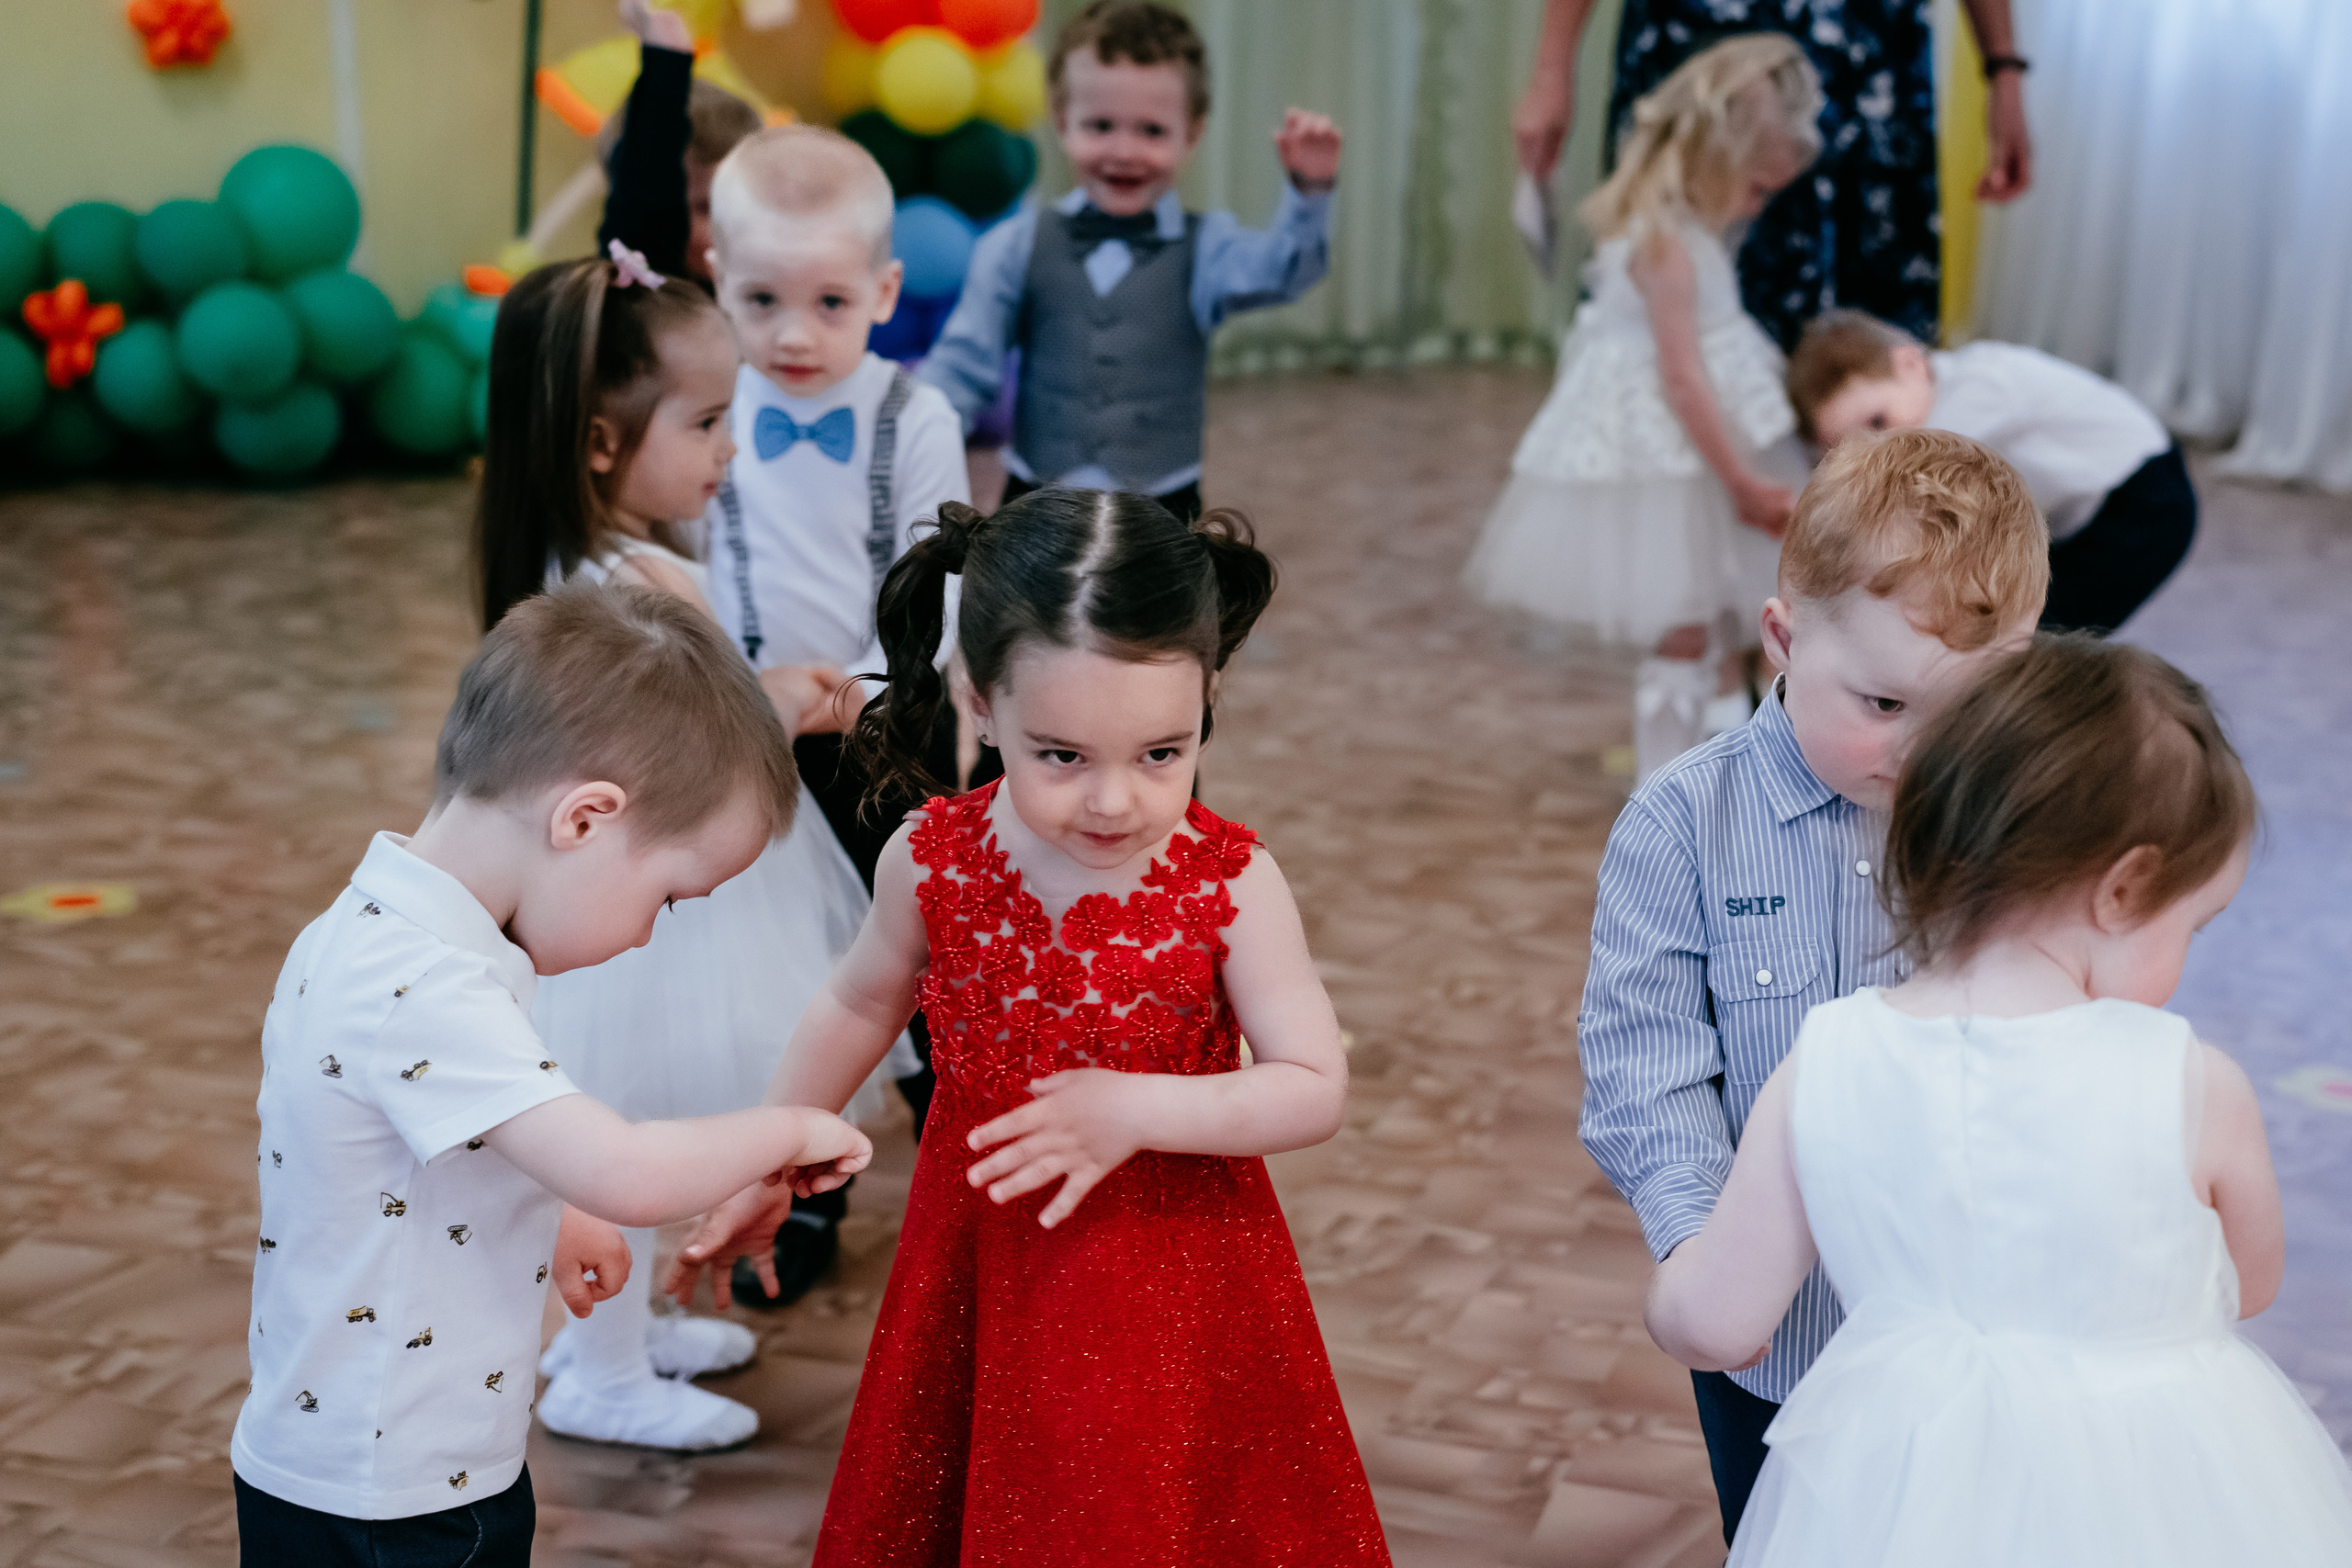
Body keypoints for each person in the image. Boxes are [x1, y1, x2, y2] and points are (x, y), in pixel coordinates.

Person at [661, 488, 1392, 1564]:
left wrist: (1137, 1106)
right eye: (1061, 756)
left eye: (1160, 754)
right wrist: (767, 1151)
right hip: (980, 1268)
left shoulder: (1232, 884)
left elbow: (1312, 1083)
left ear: (1208, 703)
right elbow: (861, 999)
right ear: (980, 701)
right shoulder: (932, 859)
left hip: (1173, 1287)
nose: (1112, 802)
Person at [1646, 633, 2352, 1564]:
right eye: (2192, 924)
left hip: (1892, 1496)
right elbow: (2248, 1282)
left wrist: (1673, 1274)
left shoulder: (1826, 1060)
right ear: (2126, 887)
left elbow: (1716, 1326)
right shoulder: (2188, 1080)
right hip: (2152, 1499)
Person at [229, 585, 871, 1565]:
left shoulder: (382, 926)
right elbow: (628, 1170)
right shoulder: (425, 983)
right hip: (393, 1499)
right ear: (585, 819)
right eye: (667, 898)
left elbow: (426, 1132)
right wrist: (787, 1131)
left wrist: (545, 1206)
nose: (654, 932)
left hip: (403, 1458)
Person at [1577, 427, 2050, 1545]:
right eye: (1883, 707)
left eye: (1966, 712)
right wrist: (1705, 1259)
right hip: (1775, 1340)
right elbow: (1645, 1063)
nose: (1925, 751)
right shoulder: (1680, 823)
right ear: (1783, 639)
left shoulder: (2019, 822)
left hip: (1967, 1318)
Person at [471, 250, 885, 1450]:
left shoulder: (567, 560)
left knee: (625, 1111)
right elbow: (694, 733)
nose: (730, 447)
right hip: (649, 905)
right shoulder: (646, 577)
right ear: (604, 442)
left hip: (604, 880)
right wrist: (794, 703)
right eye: (706, 421)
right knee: (630, 1121)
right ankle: (600, 1363)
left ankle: (614, 1329)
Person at [701, 121, 979, 1298]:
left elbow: (943, 586)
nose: (793, 334)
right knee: (788, 978)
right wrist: (730, 697)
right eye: (760, 300)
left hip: (885, 740)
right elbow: (690, 564)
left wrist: (857, 693)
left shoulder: (914, 421)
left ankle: (970, 1172)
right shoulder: (706, 412)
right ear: (715, 280)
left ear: (885, 289)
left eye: (827, 302)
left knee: (913, 969)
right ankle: (801, 1193)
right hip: (744, 737)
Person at [1464, 36, 1821, 782]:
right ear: (1718, 160)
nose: (1756, 207)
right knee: (1687, 629)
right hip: (1679, 461)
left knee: (1719, 629)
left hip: (1702, 456)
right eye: (1755, 189)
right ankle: (1665, 793)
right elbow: (1685, 382)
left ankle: (1725, 778)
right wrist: (1743, 485)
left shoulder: (1681, 232)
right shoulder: (1667, 248)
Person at [918, 0, 1344, 521]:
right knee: (1031, 606)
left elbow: (1285, 271)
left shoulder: (1208, 246)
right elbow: (964, 366)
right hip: (1036, 497)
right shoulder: (1015, 245)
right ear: (1061, 121)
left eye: (1152, 131)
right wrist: (909, 436)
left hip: (1162, 504)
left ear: (1192, 133)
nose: (1124, 151)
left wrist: (1310, 194)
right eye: (1099, 125)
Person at [1511, 0, 2033, 351]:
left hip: (1869, 60)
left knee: (1872, 349)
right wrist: (1551, 69)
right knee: (1673, 304)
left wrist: (2003, 67)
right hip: (1704, 48)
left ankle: (1859, 509)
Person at [1787, 309, 2195, 635]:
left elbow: (1902, 491)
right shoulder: (1933, 398)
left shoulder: (1974, 390)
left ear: (1910, 364)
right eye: (1852, 447)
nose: (1878, 449)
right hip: (2093, 506)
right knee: (2004, 610)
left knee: (2031, 633)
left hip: (2144, 501)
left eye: (1878, 421)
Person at [596, 0, 763, 288]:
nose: (733, 227)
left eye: (747, 205)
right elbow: (646, 201)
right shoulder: (642, 292)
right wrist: (665, 67)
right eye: (706, 207)